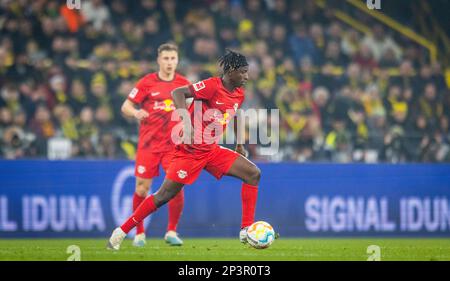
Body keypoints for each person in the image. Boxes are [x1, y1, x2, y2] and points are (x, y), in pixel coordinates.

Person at [108, 50, 261, 250]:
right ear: (231, 71)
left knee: (253, 173)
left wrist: (239, 143)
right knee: (164, 196)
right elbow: (178, 93)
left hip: (211, 151)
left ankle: (246, 230)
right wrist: (185, 122)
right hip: (190, 152)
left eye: (247, 72)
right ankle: (121, 231)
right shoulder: (212, 85)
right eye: (243, 72)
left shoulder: (239, 93)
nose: (246, 77)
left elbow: (235, 115)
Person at [120, 43, 190, 247]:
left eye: (172, 59)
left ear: (177, 60)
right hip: (149, 145)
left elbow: (194, 109)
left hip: (174, 147)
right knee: (142, 188)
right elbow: (126, 105)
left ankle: (171, 231)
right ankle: (140, 233)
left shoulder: (184, 84)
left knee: (176, 187)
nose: (169, 62)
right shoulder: (147, 82)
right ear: (159, 60)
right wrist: (136, 113)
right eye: (165, 58)